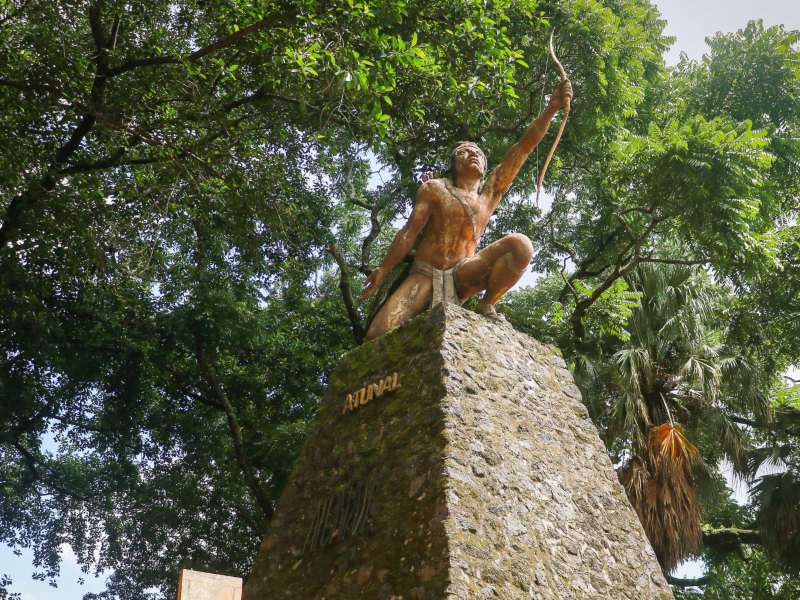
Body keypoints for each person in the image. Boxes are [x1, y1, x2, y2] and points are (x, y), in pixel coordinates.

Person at [362, 80, 573, 340]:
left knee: (521, 245)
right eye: (464, 151)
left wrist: (551, 109)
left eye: (479, 153)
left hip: (462, 272)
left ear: (486, 168)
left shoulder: (490, 194)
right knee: (378, 334)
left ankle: (487, 304)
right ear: (453, 163)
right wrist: (384, 269)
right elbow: (409, 231)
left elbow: (523, 148)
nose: (473, 153)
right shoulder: (434, 188)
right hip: (424, 273)